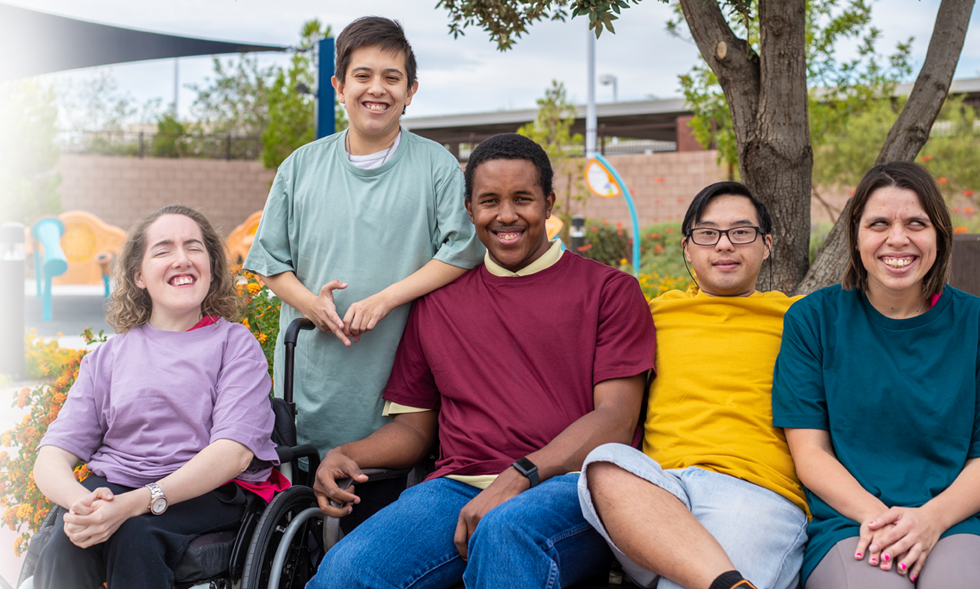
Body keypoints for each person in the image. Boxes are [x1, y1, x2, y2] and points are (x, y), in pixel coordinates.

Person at [306, 133, 656, 589]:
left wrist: (517, 478)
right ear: (469, 210)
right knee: (343, 574)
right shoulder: (437, 302)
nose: (506, 215)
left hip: (572, 489)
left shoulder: (610, 291)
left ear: (548, 204)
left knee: (503, 534)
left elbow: (615, 419)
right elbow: (415, 428)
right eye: (489, 201)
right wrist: (348, 454)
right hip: (455, 488)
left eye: (523, 199)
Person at [243, 17, 482, 475]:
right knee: (306, 496)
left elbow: (462, 251)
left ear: (411, 90)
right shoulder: (300, 167)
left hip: (399, 378)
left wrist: (387, 299)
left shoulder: (437, 166)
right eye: (363, 75)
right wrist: (313, 305)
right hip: (312, 374)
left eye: (392, 78)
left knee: (388, 492)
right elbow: (270, 263)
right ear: (339, 85)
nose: (378, 89)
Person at [29, 205, 285, 589]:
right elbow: (52, 455)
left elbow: (234, 453)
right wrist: (80, 505)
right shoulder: (106, 358)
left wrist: (136, 503)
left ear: (212, 267)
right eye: (163, 250)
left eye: (194, 248)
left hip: (205, 491)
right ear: (139, 276)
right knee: (66, 544)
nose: (182, 259)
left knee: (136, 538)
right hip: (117, 486)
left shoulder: (235, 345)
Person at [577, 182, 807, 589]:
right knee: (603, 463)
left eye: (741, 232)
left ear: (767, 244)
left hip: (754, 492)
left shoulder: (799, 320)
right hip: (660, 496)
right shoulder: (655, 313)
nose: (723, 246)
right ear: (687, 248)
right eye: (707, 234)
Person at [773, 161, 980, 588]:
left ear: (939, 235)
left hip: (958, 519)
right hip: (852, 523)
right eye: (879, 223)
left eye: (916, 223)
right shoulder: (812, 321)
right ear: (856, 236)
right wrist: (881, 520)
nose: (897, 238)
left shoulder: (975, 324)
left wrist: (931, 520)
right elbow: (810, 453)